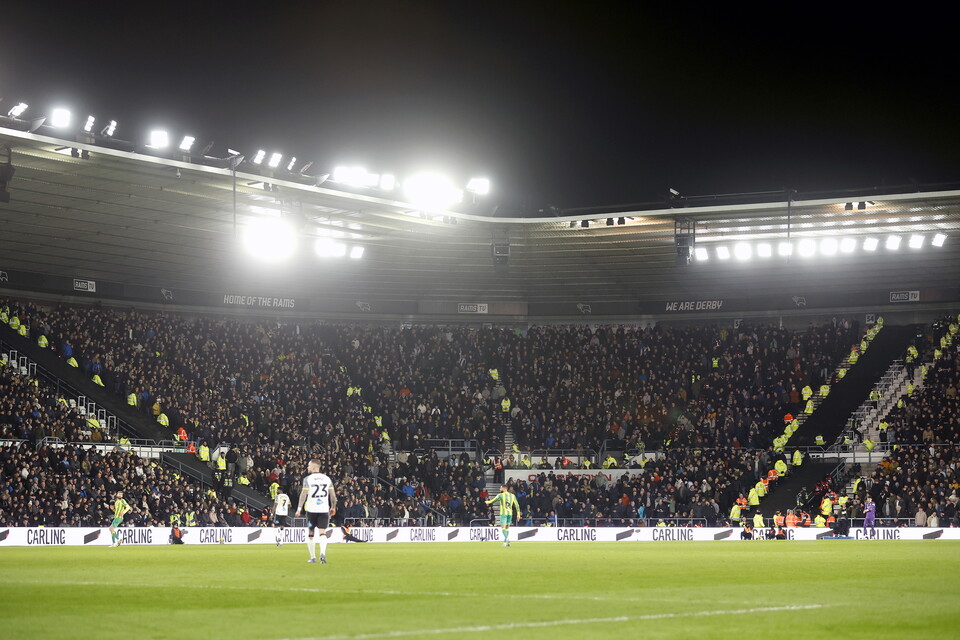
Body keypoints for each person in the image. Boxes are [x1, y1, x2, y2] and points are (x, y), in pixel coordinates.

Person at [295, 458, 337, 564]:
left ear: (313, 467)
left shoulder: (307, 479)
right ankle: (322, 554)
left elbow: (303, 494)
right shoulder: (327, 479)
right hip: (323, 509)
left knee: (311, 533)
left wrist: (299, 509)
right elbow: (333, 496)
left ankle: (313, 557)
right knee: (322, 532)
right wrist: (333, 507)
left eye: (309, 466)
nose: (308, 467)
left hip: (311, 510)